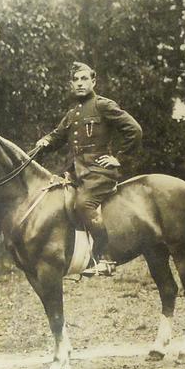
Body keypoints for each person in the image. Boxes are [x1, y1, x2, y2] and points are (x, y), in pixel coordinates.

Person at [36, 62, 142, 276]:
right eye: (75, 80)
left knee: (84, 205)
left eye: (84, 79)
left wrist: (118, 158)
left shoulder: (103, 105)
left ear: (93, 81)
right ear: (71, 85)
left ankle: (105, 257)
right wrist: (45, 142)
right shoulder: (73, 113)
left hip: (100, 173)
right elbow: (57, 137)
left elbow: (135, 130)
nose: (80, 83)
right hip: (77, 172)